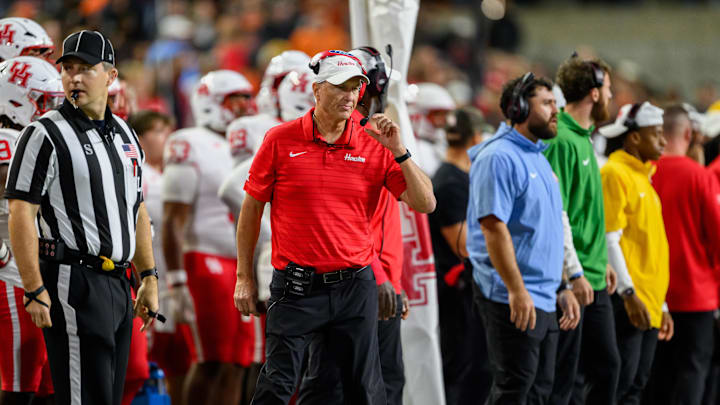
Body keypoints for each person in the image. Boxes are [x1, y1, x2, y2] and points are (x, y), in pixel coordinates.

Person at [233, 49, 435, 405]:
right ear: (317, 90)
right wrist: (245, 277)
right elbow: (251, 209)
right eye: (340, 86)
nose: (349, 95)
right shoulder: (280, 139)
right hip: (295, 287)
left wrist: (400, 151)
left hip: (354, 286)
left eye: (356, 87)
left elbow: (425, 203)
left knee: (364, 390)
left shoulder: (375, 141)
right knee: (277, 386)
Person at [5, 30, 159, 405]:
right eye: (69, 68)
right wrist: (34, 288)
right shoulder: (43, 133)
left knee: (110, 394)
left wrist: (149, 277)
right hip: (72, 279)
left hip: (119, 281)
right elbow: (21, 212)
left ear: (111, 75)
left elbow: (136, 208)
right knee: (81, 397)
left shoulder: (125, 132)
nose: (74, 77)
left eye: (86, 68)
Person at [297, 46, 410, 405]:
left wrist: (392, 278)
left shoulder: (375, 136)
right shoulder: (344, 138)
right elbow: (337, 222)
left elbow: (401, 210)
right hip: (355, 284)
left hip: (379, 281)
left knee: (380, 385)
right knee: (332, 388)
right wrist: (378, 277)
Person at [467, 73, 575, 404]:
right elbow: (493, 228)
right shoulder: (499, 157)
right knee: (514, 389)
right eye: (546, 103)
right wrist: (516, 290)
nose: (555, 111)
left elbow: (548, 231)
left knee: (539, 392)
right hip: (512, 294)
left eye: (555, 103)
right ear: (519, 107)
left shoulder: (540, 159)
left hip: (543, 294)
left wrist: (563, 285)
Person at [218, 64, 316, 403]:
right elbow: (234, 188)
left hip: (311, 268)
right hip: (282, 264)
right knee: (275, 366)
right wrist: (271, 235)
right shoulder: (280, 135)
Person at [162, 69, 255, 405]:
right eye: (237, 98)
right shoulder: (191, 142)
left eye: (247, 97)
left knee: (238, 363)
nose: (246, 105)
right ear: (211, 102)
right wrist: (176, 280)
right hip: (205, 259)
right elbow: (175, 217)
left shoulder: (245, 141)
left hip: (241, 263)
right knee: (211, 360)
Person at [543, 55, 621, 405]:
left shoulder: (583, 138)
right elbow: (555, 212)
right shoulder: (561, 141)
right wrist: (570, 273)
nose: (612, 96)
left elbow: (584, 210)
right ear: (593, 93)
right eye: (609, 90)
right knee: (566, 381)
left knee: (607, 368)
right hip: (573, 279)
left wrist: (601, 259)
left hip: (593, 272)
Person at [643, 105, 720, 405]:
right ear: (689, 134)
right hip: (696, 295)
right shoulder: (700, 177)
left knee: (654, 374)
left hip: (650, 294)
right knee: (692, 370)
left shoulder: (644, 171)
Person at [598, 102, 671, 404]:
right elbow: (610, 239)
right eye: (656, 134)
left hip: (650, 301)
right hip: (630, 301)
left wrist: (663, 305)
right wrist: (629, 294)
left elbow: (649, 248)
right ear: (635, 137)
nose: (663, 141)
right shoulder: (615, 173)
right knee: (618, 387)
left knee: (636, 387)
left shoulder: (644, 177)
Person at [0, 55, 63, 405]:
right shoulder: (7, 141)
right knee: (20, 385)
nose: (50, 110)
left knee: (44, 385)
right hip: (13, 277)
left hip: (35, 276)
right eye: (43, 102)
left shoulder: (30, 140)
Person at [127, 110, 194, 405]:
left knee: (179, 361)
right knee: (147, 364)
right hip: (145, 279)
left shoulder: (167, 175)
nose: (165, 138)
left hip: (169, 279)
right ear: (140, 138)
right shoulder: (140, 177)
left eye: (167, 130)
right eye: (156, 131)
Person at [427, 106, 491, 405]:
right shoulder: (451, 182)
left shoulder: (454, 175)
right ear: (476, 137)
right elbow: (464, 246)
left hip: (460, 289)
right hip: (454, 292)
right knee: (460, 369)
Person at [226, 50, 310, 167]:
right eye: (285, 80)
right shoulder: (249, 126)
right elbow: (241, 179)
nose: (291, 87)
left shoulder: (322, 126)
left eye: (300, 82)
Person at [408, 82, 456, 177]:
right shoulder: (410, 144)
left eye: (445, 114)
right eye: (438, 114)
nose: (443, 120)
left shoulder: (442, 142)